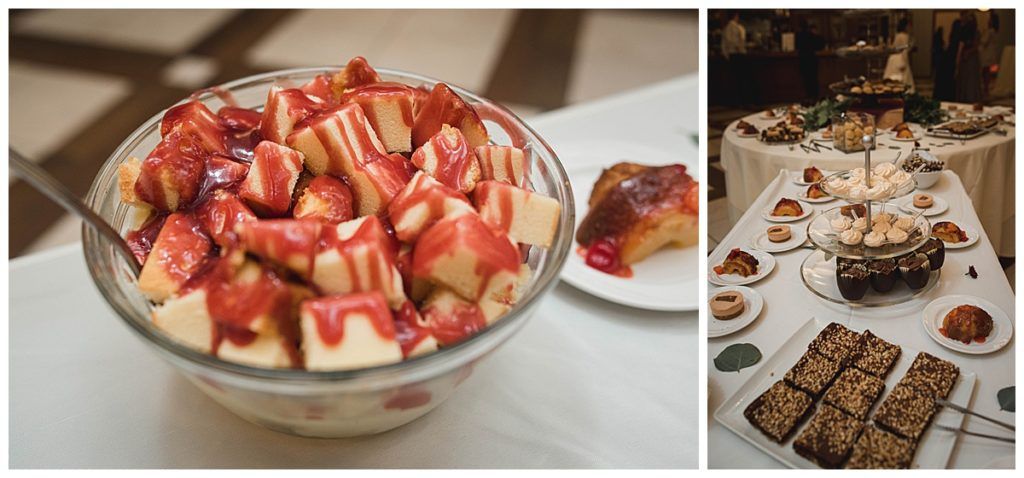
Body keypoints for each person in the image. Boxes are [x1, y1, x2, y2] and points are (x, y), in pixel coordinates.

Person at [721, 11, 754, 108]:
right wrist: (742, 50)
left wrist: (727, 56)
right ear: (736, 16)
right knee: (742, 80)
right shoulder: (734, 27)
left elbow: (724, 45)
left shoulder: (727, 28)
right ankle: (743, 102)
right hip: (738, 56)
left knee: (737, 80)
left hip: (732, 56)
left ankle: (739, 102)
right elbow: (735, 42)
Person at [955, 11, 982, 103]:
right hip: (969, 56)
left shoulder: (973, 31)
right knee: (966, 78)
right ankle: (967, 97)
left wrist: (964, 54)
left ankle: (970, 97)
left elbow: (976, 44)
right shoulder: (967, 30)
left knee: (970, 78)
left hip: (970, 57)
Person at [796, 19, 825, 102]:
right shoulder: (812, 35)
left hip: (802, 60)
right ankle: (814, 98)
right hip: (812, 60)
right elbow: (821, 45)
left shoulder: (798, 35)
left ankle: (808, 97)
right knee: (813, 80)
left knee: (806, 81)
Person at [884, 18, 914, 91]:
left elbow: (895, 47)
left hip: (893, 58)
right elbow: (904, 50)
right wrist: (905, 62)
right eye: (908, 26)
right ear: (905, 26)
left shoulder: (897, 35)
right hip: (900, 58)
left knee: (891, 80)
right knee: (903, 80)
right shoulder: (904, 36)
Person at [979, 12, 1000, 98]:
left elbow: (984, 41)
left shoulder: (990, 31)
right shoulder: (994, 31)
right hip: (990, 53)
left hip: (987, 54)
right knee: (986, 71)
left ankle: (986, 89)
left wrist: (981, 35)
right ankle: (986, 89)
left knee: (985, 72)